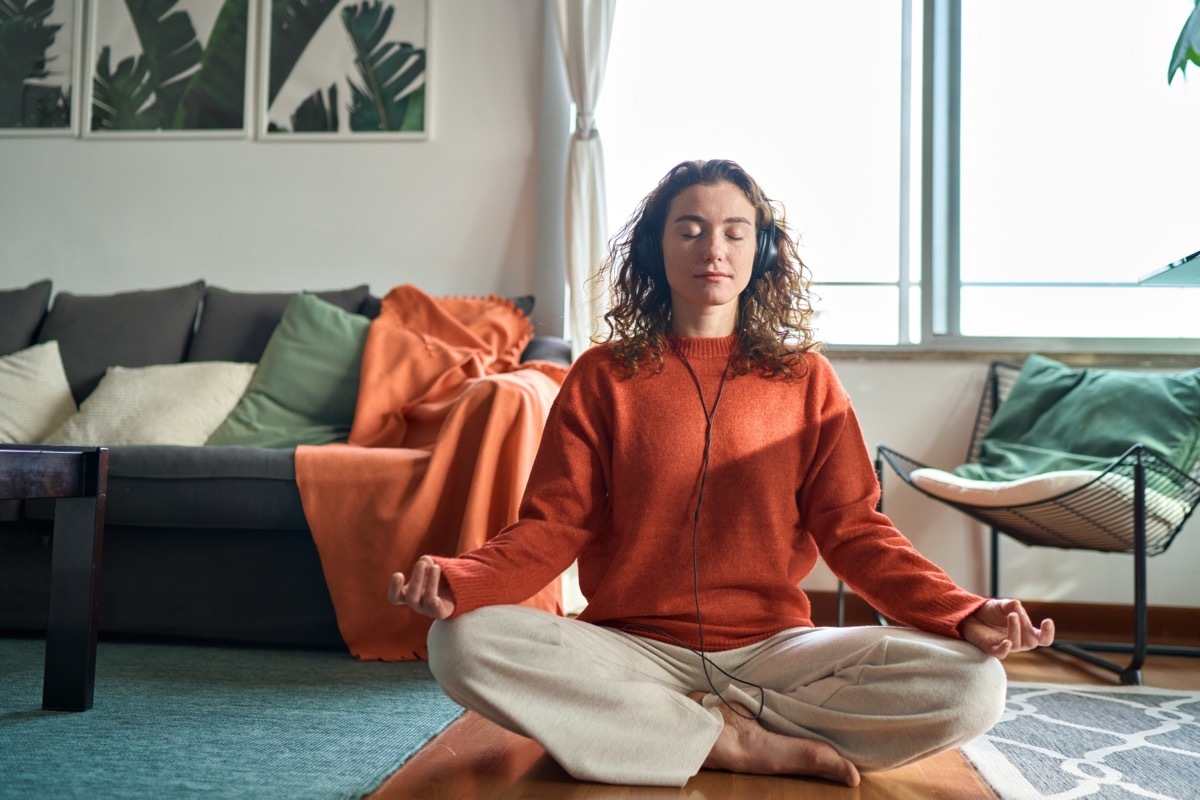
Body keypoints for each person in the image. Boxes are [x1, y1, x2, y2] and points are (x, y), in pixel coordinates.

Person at [388, 158, 1055, 788]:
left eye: (736, 232)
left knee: (975, 685)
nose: (714, 247)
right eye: (691, 229)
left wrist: (962, 612)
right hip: (632, 650)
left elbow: (855, 531)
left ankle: (666, 733)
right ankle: (727, 740)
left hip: (774, 654)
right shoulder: (603, 376)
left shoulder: (806, 381)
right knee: (461, 643)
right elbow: (554, 524)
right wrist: (465, 581)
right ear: (657, 249)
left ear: (759, 253)